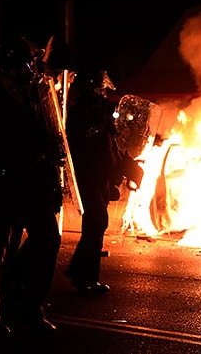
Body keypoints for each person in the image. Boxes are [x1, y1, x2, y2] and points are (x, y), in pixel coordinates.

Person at [0, 35, 63, 336]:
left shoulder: (36, 94)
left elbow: (50, 132)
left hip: (34, 182)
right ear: (14, 65)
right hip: (1, 182)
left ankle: (31, 307)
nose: (33, 68)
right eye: (29, 62)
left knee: (47, 240)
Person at [64, 69, 135, 294]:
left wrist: (128, 167)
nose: (103, 94)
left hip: (102, 175)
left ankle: (84, 274)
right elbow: (81, 139)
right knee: (96, 224)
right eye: (100, 89)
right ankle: (82, 273)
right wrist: (102, 123)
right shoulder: (77, 112)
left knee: (96, 226)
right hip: (88, 175)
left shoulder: (99, 111)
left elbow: (112, 146)